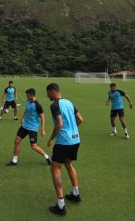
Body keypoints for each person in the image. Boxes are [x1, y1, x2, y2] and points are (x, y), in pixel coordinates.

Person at [46, 83, 83, 216]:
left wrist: (51, 138)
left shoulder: (55, 105)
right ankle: (75, 193)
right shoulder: (69, 102)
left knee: (55, 168)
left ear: (53, 91)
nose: (47, 95)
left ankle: (61, 206)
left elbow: (59, 123)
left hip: (63, 142)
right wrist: (73, 130)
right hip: (75, 139)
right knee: (68, 164)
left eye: (48, 93)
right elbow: (80, 119)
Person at [6, 88, 51, 166]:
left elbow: (42, 117)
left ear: (32, 95)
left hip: (32, 128)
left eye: (27, 95)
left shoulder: (38, 105)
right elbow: (26, 110)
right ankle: (14, 161)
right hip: (24, 126)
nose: (26, 96)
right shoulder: (27, 101)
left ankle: (47, 157)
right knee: (17, 141)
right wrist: (23, 118)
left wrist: (42, 130)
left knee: (34, 146)